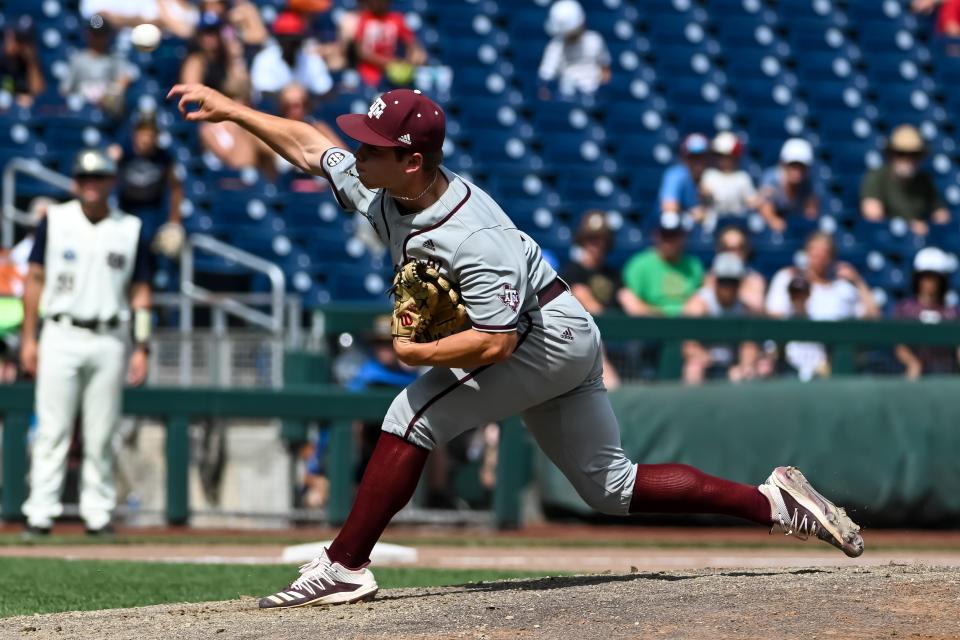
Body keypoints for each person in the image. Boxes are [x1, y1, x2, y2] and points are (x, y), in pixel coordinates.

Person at [167, 81, 864, 609]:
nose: (359, 150)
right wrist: (232, 108)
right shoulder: (390, 190)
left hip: (541, 336)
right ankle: (775, 503)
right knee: (611, 488)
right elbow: (308, 146)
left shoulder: (474, 237)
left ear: (410, 161)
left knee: (411, 415)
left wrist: (418, 355)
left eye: (373, 146)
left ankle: (345, 563)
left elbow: (496, 344)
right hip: (556, 328)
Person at [19, 149, 153, 537]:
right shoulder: (56, 220)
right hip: (60, 331)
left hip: (111, 334)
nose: (91, 184)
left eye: (99, 177)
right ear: (75, 182)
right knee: (51, 429)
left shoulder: (129, 227)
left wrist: (141, 346)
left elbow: (141, 292)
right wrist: (30, 338)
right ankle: (40, 512)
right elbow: (35, 280)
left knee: (102, 431)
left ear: (112, 181)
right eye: (84, 178)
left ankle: (98, 513)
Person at [766, 233, 879, 379]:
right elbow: (773, 316)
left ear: (832, 257)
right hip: (788, 365)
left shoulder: (842, 289)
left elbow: (873, 315)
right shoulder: (788, 279)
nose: (819, 255)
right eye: (814, 249)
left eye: (825, 251)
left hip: (828, 368)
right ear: (806, 252)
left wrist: (858, 281)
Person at [560, 210, 623, 388]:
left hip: (616, 338)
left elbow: (628, 301)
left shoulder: (613, 273)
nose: (596, 244)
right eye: (591, 238)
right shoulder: (572, 271)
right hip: (585, 340)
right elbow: (589, 304)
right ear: (582, 240)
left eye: (601, 239)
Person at [109, 111, 184, 258]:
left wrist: (174, 222)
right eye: (142, 133)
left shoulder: (165, 157)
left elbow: (176, 187)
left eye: (150, 134)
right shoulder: (124, 151)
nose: (145, 139)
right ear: (134, 134)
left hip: (151, 211)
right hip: (126, 207)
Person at [682, 252, 763, 384]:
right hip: (706, 362)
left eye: (733, 282)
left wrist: (744, 367)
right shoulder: (700, 304)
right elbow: (689, 346)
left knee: (747, 372)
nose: (728, 287)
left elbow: (749, 346)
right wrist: (711, 362)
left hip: (732, 363)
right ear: (714, 280)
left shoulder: (745, 309)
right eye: (723, 281)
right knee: (693, 369)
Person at [860, 124, 951, 236]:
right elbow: (872, 214)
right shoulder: (877, 176)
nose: (908, 160)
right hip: (887, 240)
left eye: (914, 154)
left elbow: (942, 215)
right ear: (891, 154)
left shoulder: (924, 181)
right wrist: (909, 226)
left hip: (920, 241)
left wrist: (932, 228)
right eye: (901, 154)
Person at [620, 212, 704, 317]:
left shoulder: (693, 265)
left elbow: (697, 304)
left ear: (683, 237)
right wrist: (660, 315)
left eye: (674, 236)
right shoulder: (639, 265)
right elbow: (629, 300)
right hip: (648, 327)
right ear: (656, 236)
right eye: (665, 235)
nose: (669, 241)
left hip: (686, 328)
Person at [893, 247, 960, 378]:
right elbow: (898, 344)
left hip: (945, 374)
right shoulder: (905, 309)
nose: (929, 282)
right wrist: (912, 363)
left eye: (934, 277)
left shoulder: (952, 312)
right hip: (913, 377)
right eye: (925, 277)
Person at [60, 15, 133, 117]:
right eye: (95, 34)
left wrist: (110, 94)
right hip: (82, 110)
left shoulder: (114, 58)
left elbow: (125, 78)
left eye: (101, 34)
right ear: (88, 34)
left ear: (108, 35)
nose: (98, 38)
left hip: (107, 111)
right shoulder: (78, 59)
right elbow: (65, 90)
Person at [538, 0, 611, 99]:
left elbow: (606, 71)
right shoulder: (555, 47)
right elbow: (545, 80)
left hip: (595, 96)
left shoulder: (594, 40)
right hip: (566, 99)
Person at [250, 11, 333, 98]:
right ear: (279, 39)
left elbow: (325, 91)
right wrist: (291, 95)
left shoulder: (311, 59)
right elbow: (264, 94)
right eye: (287, 39)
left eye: (295, 40)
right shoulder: (264, 59)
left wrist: (299, 96)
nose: (291, 44)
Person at [353, 0, 426, 88]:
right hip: (368, 74)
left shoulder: (396, 19)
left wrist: (409, 61)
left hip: (392, 74)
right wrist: (387, 63)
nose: (374, 3)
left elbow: (412, 43)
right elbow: (360, 51)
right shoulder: (365, 18)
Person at [179, 12, 250, 100]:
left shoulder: (225, 59)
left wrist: (235, 58)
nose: (212, 37)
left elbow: (241, 90)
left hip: (223, 108)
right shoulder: (196, 61)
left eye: (215, 32)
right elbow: (191, 95)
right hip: (204, 109)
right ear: (199, 37)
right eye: (207, 33)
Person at [759, 138, 820, 232]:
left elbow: (811, 212)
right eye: (793, 166)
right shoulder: (771, 179)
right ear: (783, 164)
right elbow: (764, 206)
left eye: (801, 167)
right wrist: (774, 221)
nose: (797, 171)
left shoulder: (808, 183)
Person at [702, 226, 767, 313]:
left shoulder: (756, 280)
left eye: (738, 248)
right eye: (726, 248)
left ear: (746, 250)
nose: (732, 253)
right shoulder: (708, 276)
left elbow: (756, 310)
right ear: (718, 249)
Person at [701, 132, 758, 222]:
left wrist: (758, 200)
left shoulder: (742, 177)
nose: (722, 159)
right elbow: (703, 197)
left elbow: (751, 201)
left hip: (737, 223)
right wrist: (705, 194)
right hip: (714, 222)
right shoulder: (709, 175)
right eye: (719, 155)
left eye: (726, 156)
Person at [658, 133, 710, 221]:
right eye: (693, 157)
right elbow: (669, 207)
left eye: (701, 157)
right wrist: (693, 213)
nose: (697, 162)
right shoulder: (675, 175)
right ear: (684, 158)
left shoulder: (710, 176)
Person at [0, 16, 45, 108]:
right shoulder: (3, 59)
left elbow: (38, 92)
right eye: (18, 39)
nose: (20, 45)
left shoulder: (30, 61)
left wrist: (31, 63)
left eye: (24, 41)